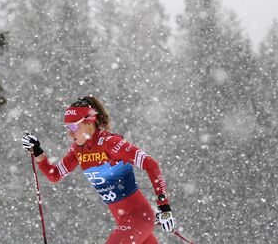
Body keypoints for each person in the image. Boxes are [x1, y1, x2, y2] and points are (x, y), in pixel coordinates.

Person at [22, 96, 176, 244]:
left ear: (90, 122)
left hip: (138, 218)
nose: (70, 133)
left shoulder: (111, 143)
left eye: (73, 126)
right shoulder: (78, 149)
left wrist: (164, 207)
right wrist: (37, 152)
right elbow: (54, 175)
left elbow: (151, 164)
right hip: (124, 220)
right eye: (67, 128)